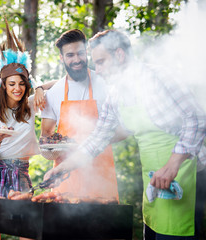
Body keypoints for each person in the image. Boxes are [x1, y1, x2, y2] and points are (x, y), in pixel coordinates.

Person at [44, 29, 206, 239]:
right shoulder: (117, 94)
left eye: (101, 62)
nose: (98, 70)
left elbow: (197, 119)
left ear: (119, 55)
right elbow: (98, 138)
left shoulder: (159, 77)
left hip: (185, 173)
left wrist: (172, 164)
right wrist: (65, 167)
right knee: (155, 231)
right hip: (154, 180)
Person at [0, 19, 56, 240]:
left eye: (21, 83)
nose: (17, 88)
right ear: (3, 85)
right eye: (12, 84)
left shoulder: (32, 105)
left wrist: (40, 86)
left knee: (28, 235)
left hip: (22, 176)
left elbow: (62, 82)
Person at [39, 29, 120, 201]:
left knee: (105, 225)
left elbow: (124, 128)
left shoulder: (106, 83)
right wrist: (54, 149)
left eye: (80, 53)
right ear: (61, 58)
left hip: (101, 175)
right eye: (70, 55)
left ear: (87, 52)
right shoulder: (54, 93)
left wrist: (89, 141)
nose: (76, 60)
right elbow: (45, 140)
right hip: (65, 177)